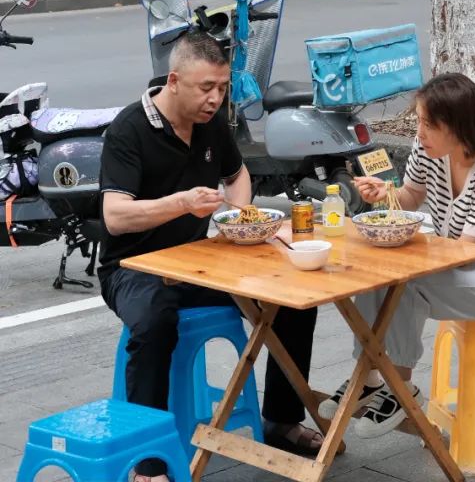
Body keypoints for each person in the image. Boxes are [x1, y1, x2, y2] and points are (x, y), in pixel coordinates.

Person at [98, 32, 322, 482]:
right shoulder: (129, 129)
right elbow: (115, 216)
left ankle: (280, 418)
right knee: (155, 322)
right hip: (133, 269)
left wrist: (239, 216)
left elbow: (237, 176)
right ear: (175, 80)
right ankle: (149, 462)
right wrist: (180, 204)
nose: (215, 99)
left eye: (222, 88)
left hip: (199, 261)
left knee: (295, 298)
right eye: (206, 88)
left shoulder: (213, 123)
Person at [320, 72, 475, 437]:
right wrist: (383, 193)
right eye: (419, 121)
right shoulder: (429, 148)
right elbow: (409, 197)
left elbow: (464, 253)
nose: (419, 133)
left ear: (459, 127)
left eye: (429, 124)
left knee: (404, 282)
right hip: (454, 259)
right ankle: (369, 378)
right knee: (379, 270)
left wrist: (408, 250)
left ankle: (401, 387)